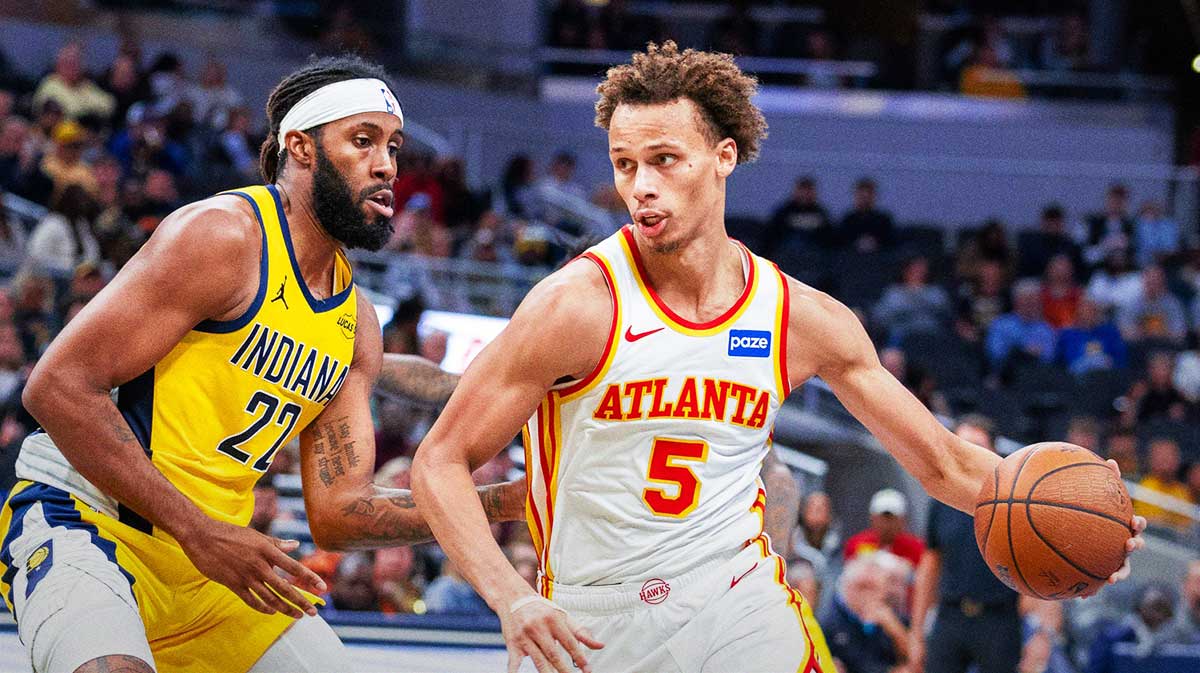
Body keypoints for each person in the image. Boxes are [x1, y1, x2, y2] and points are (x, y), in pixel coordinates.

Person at [411, 42, 1145, 673]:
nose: (640, 185)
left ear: (724, 156)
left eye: (664, 159)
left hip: (735, 604)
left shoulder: (802, 317)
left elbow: (948, 464)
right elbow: (439, 460)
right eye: (625, 162)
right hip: (594, 619)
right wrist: (511, 596)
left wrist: (1092, 514)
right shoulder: (576, 304)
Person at [0, 55, 530, 673]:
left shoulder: (355, 322)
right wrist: (199, 532)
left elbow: (339, 513)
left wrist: (506, 499)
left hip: (212, 568)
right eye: (363, 141)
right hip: (88, 525)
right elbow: (57, 386)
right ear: (300, 148)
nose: (387, 164)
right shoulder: (223, 237)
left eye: (393, 146)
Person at [910, 415, 1022, 673]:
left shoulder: (1016, 503)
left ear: (994, 453)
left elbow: (1039, 564)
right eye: (961, 446)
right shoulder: (942, 499)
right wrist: (916, 632)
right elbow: (929, 566)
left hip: (999, 618)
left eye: (976, 447)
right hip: (950, 615)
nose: (967, 454)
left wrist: (1041, 632)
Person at [843, 487, 925, 569]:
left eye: (892, 518)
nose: (887, 525)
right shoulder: (856, 544)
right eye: (882, 518)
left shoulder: (916, 548)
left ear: (903, 520)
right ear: (872, 518)